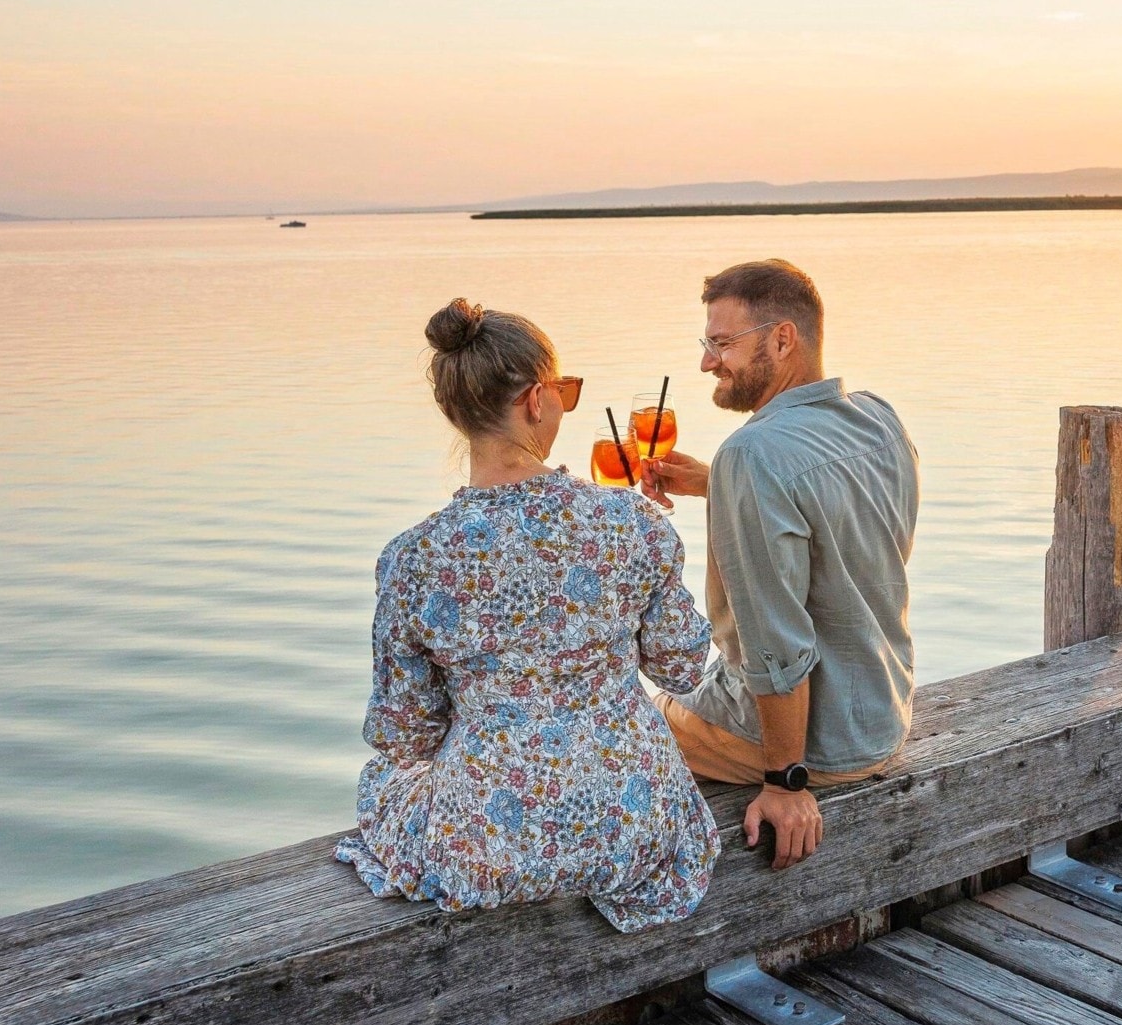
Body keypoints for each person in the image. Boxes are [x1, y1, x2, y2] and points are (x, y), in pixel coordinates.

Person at [333, 298, 720, 932]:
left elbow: (405, 734)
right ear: (536, 400)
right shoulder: (631, 523)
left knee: (385, 779)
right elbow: (682, 668)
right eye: (565, 390)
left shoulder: (414, 558)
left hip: (489, 844)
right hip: (634, 821)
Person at [639, 259, 918, 871]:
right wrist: (722, 488)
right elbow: (849, 543)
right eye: (705, 344)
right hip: (882, 711)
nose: (707, 363)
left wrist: (785, 783)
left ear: (782, 338)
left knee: (623, 714)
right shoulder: (877, 418)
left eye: (721, 344)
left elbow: (776, 642)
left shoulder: (751, 453)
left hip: (812, 746)